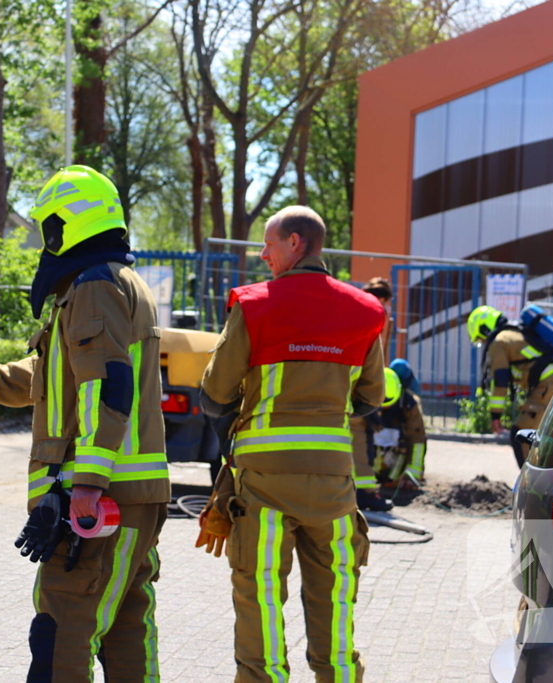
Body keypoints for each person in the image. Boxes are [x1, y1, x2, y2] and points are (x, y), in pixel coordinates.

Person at [0, 165, 169, 682]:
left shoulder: (94, 287)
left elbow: (104, 389)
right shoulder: (118, 282)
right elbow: (55, 377)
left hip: (98, 502)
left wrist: (87, 485)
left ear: (66, 225)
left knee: (62, 634)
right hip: (132, 497)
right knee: (126, 633)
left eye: (47, 226)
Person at [198, 205, 385, 683]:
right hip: (334, 489)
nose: (263, 255)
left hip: (264, 487)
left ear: (295, 243)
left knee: (260, 595)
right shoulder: (365, 311)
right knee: (335, 599)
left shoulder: (254, 305)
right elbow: (371, 398)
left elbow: (216, 393)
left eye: (268, 244)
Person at [467, 304, 553, 467]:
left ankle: (529, 480)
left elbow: (500, 381)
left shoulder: (499, 342)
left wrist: (495, 416)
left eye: (481, 338)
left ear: (484, 329)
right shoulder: (514, 333)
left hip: (551, 385)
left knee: (521, 434)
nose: (483, 342)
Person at [351, 276, 396, 512]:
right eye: (386, 303)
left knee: (360, 442)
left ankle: (360, 491)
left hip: (352, 389)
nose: (388, 310)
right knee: (360, 440)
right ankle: (364, 494)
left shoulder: (357, 313)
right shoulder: (368, 319)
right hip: (355, 392)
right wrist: (368, 404)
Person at [370, 362, 427, 490]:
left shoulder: (409, 404)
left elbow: (417, 438)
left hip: (395, 460)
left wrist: (411, 476)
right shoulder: (364, 401)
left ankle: (391, 477)